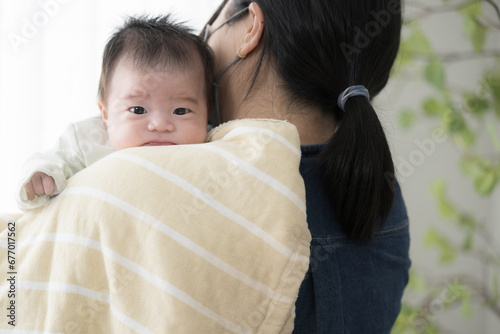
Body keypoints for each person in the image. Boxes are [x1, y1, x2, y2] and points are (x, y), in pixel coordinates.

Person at [203, 0, 411, 333]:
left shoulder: (192, 187)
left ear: (251, 27)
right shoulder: (381, 198)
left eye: (213, 22)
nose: (206, 39)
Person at [16, 15, 213, 210]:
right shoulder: (87, 140)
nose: (160, 124)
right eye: (138, 109)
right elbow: (51, 160)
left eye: (181, 110)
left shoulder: (213, 146)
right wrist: (41, 176)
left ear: (207, 111)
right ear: (106, 114)